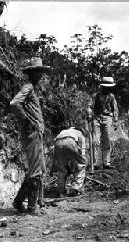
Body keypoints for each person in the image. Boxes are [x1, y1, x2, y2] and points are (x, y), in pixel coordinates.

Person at [10, 57, 50, 214]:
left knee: (38, 168)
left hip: (36, 133)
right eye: (37, 72)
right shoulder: (28, 87)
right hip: (32, 133)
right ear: (31, 73)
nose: (39, 75)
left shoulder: (33, 88)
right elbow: (14, 103)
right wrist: (26, 121)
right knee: (35, 170)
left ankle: (19, 202)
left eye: (40, 72)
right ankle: (32, 207)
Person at [87, 77, 118, 170]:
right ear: (102, 86)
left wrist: (115, 121)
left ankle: (106, 163)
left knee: (107, 140)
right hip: (96, 118)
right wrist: (89, 113)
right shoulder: (95, 95)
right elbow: (89, 106)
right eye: (105, 87)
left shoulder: (111, 96)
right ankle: (95, 163)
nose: (107, 89)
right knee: (95, 141)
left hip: (107, 118)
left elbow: (115, 109)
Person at [53, 123, 87, 198]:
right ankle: (75, 188)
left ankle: (61, 191)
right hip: (70, 141)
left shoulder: (65, 131)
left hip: (57, 143)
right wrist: (82, 161)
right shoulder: (80, 133)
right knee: (80, 166)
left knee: (62, 169)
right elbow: (82, 152)